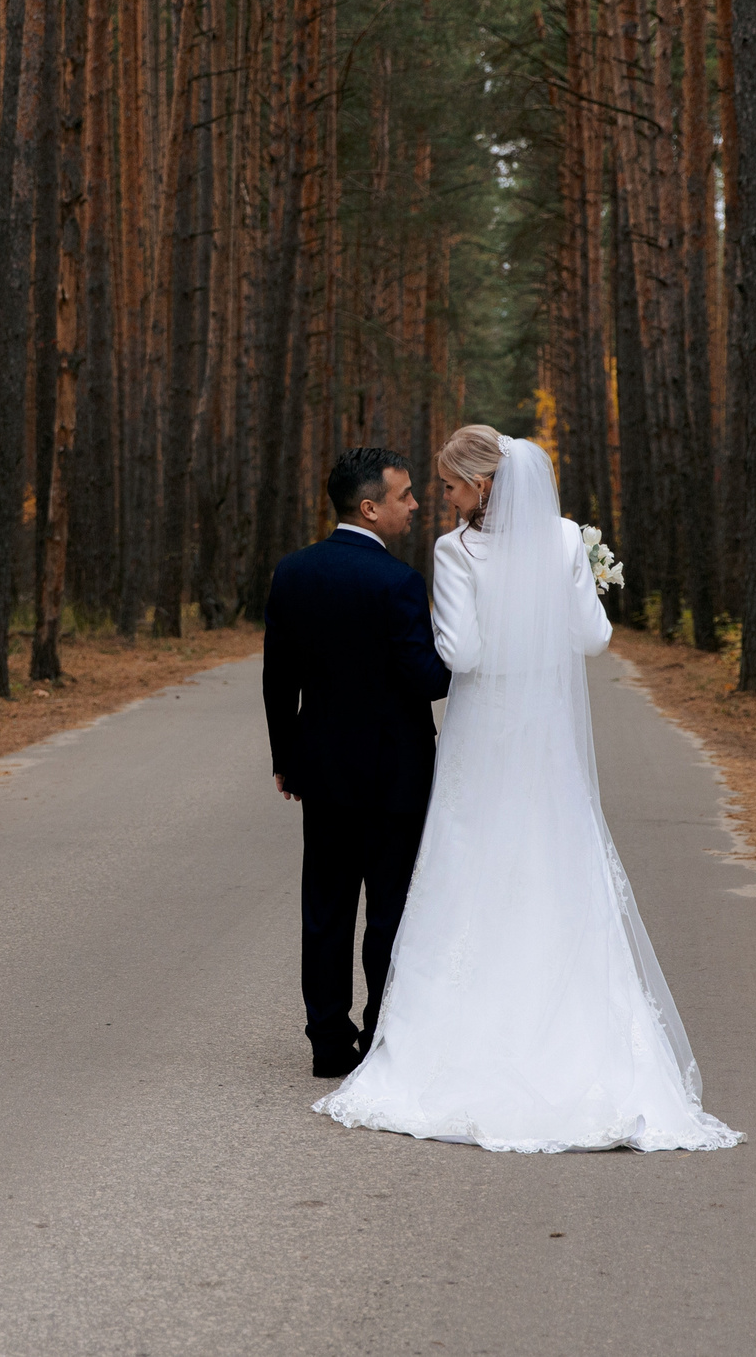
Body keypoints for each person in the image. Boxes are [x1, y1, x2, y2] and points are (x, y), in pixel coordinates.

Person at [315, 425, 742, 1152]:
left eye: (448, 485)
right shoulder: (565, 539)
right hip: (546, 734)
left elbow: (463, 652)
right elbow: (593, 637)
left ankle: (455, 1034)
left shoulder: (456, 551)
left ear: (482, 487)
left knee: (473, 866)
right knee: (555, 861)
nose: (440, 499)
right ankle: (578, 1035)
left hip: (487, 735)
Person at [261, 447, 453, 1078]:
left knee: (326, 906)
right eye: (404, 496)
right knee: (389, 908)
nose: (415, 505)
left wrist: (286, 758)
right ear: (369, 508)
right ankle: (378, 1035)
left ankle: (325, 1041)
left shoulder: (293, 572)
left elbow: (277, 678)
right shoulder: (398, 583)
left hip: (323, 771)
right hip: (395, 775)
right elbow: (426, 679)